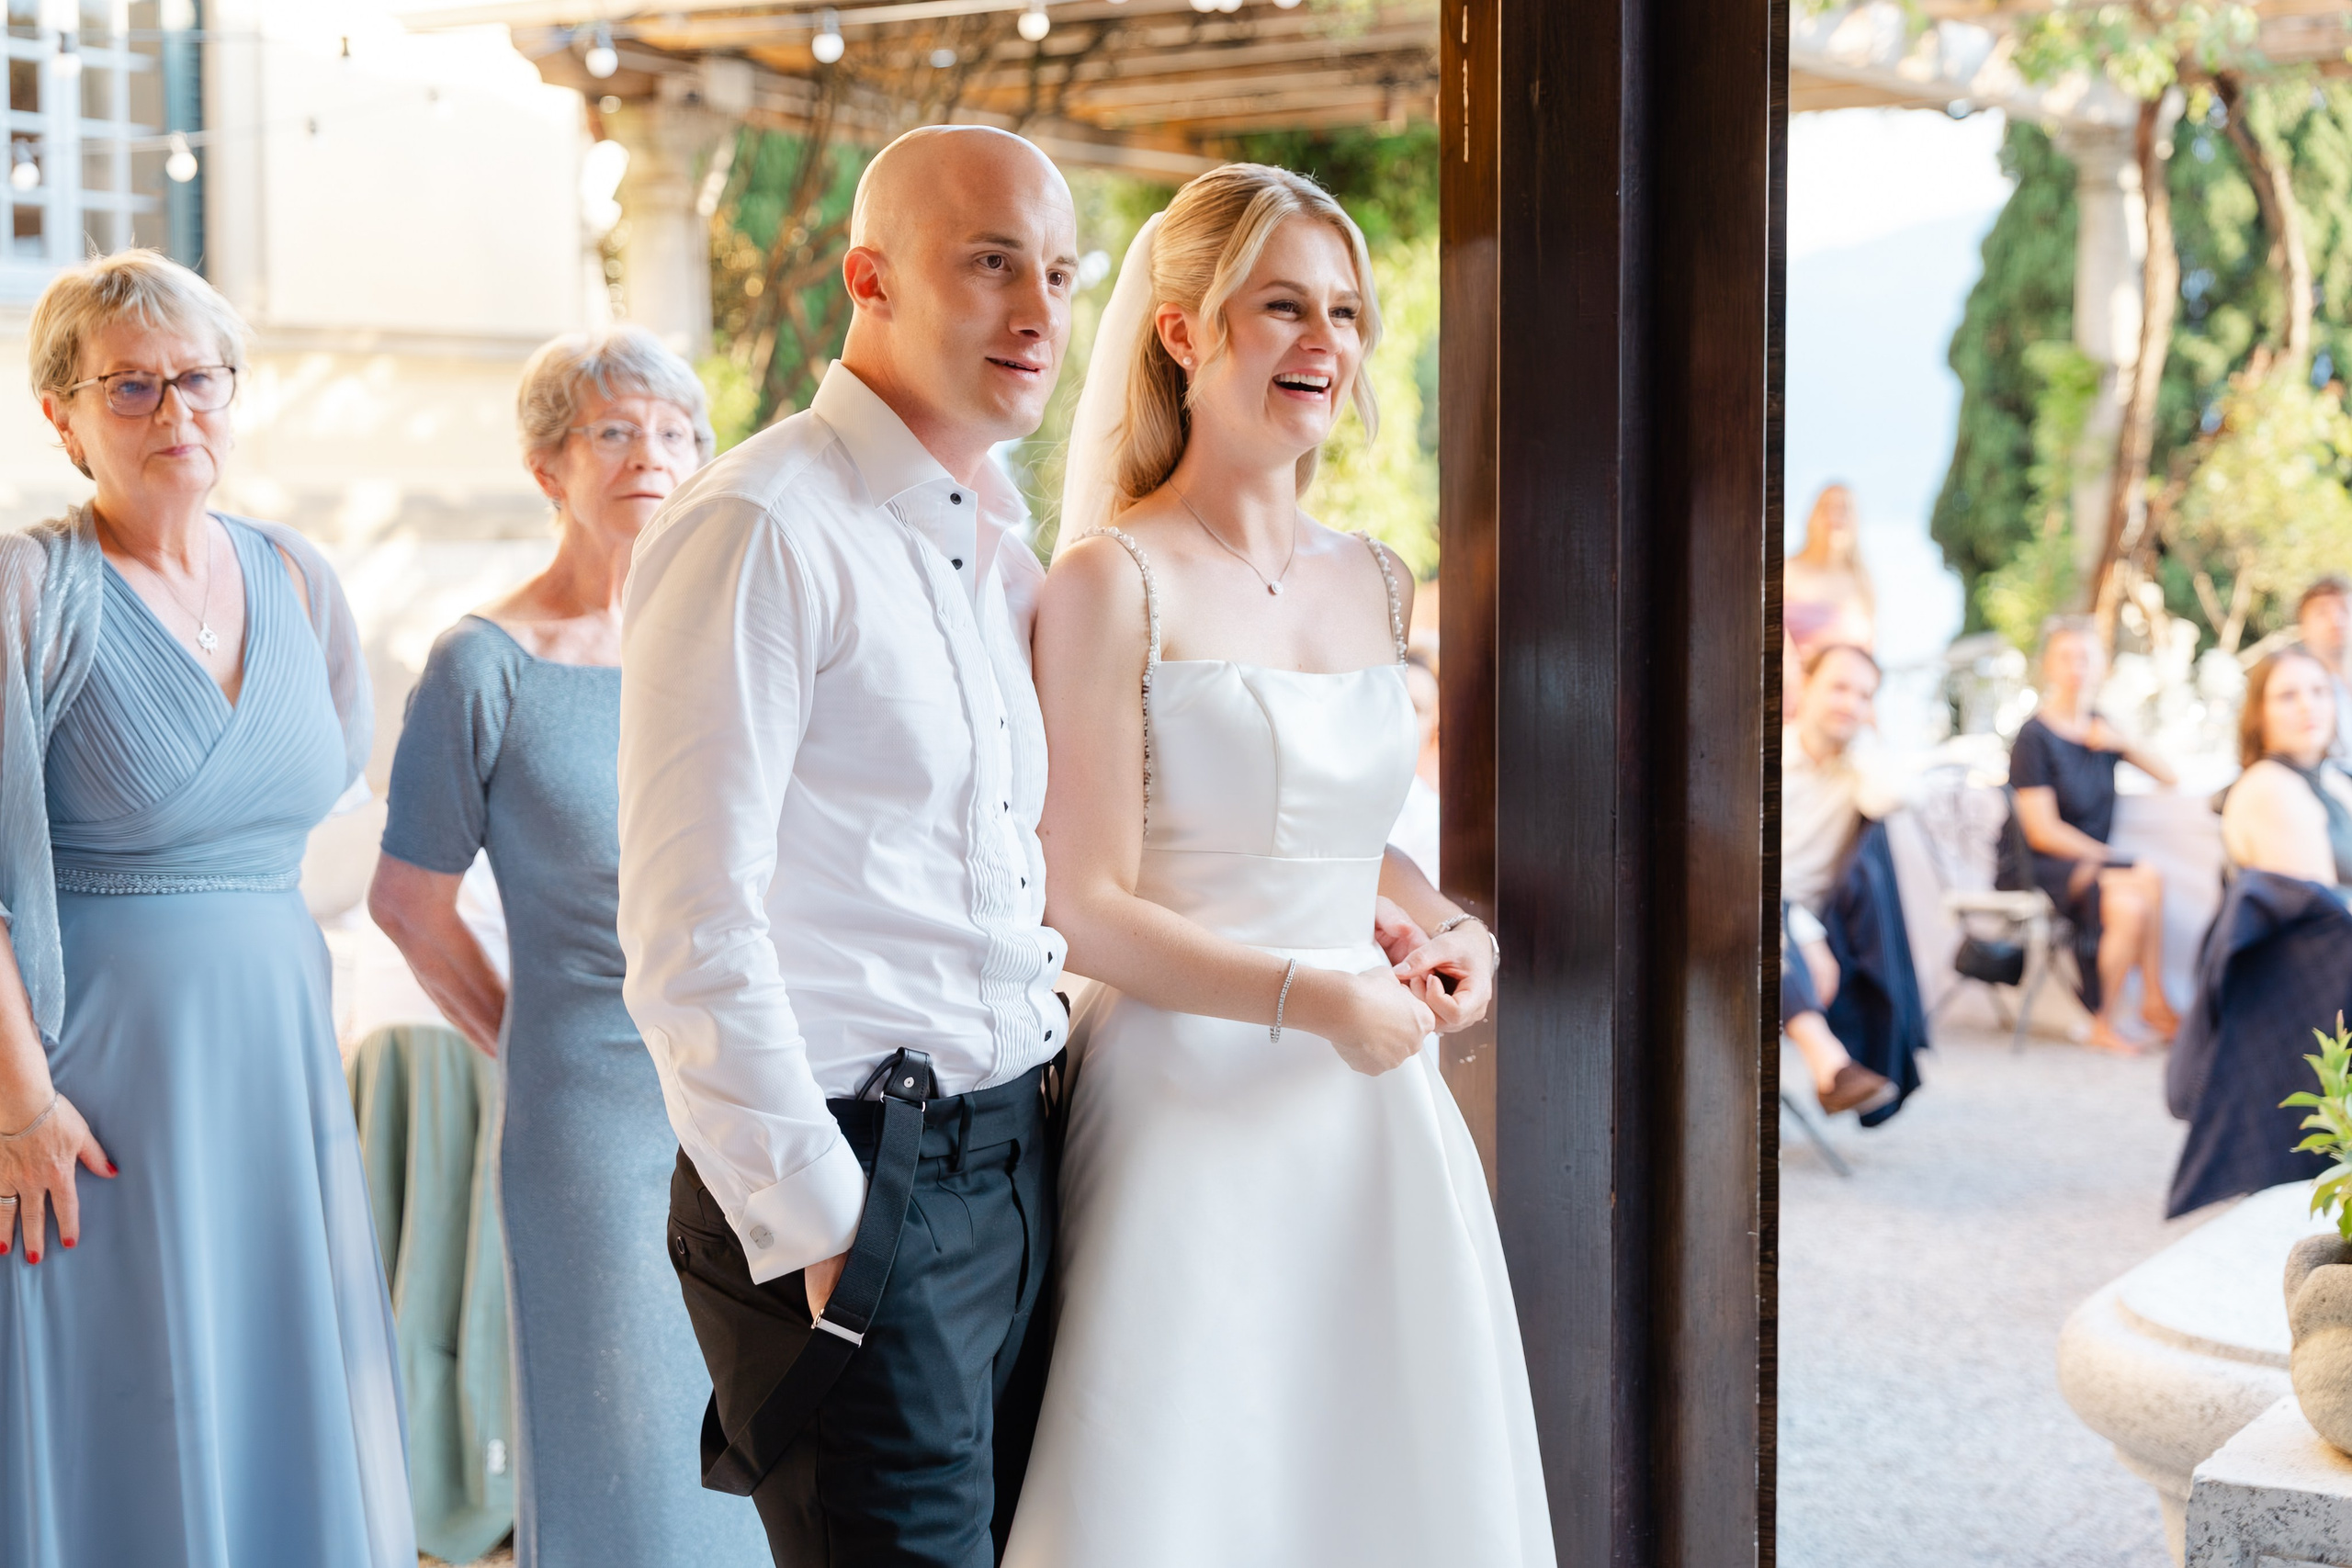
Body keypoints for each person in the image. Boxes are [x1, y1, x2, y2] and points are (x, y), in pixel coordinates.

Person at [1011, 164, 1551, 1566]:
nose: (1325, 344)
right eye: (1282, 308)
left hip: (1373, 1105)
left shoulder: (1375, 578)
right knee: (1198, 1485)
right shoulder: (1110, 581)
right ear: (1185, 333)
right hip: (1190, 1107)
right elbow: (1083, 903)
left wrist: (1449, 926)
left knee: (1379, 1480)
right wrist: (1317, 1000)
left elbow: (1337, 825)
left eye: (1346, 312)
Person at [616, 127, 1076, 1566]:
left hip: (1019, 1151)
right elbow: (690, 927)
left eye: (1060, 272)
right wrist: (829, 1229)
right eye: (992, 261)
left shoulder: (992, 538)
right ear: (866, 276)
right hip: (862, 1180)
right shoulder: (761, 522)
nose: (1040, 312)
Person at [0, 251, 408, 1565]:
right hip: (91, 1081)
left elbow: (322, 818)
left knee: (269, 1373)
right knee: (122, 1394)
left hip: (275, 1060)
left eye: (199, 379)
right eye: (131, 386)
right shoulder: (27, 588)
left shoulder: (299, 577)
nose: (175, 411)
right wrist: (18, 1104)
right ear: (62, 416)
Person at [369, 328, 767, 1567]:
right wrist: (526, 1032)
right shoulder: (482, 665)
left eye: (673, 432)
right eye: (612, 430)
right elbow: (407, 902)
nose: (648, 454)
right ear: (549, 465)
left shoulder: (733, 647)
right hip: (588, 1107)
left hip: (749, 1088)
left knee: (759, 1432)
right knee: (623, 1434)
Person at [2008, 615, 2179, 1055]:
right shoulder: (2034, 737)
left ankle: (2104, 1020)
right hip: (2042, 865)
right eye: (2066, 657)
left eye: (2085, 657)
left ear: (2101, 665)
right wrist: (2114, 858)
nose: (2076, 667)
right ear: (2049, 665)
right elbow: (2042, 832)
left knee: (2131, 905)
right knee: (2147, 876)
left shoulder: (2104, 728)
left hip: (2093, 868)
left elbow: (2170, 777)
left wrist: (2122, 744)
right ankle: (2155, 1002)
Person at [1781, 642, 1904, 1114]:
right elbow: (1735, 873)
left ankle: (1834, 1070)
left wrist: (1868, 740)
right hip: (1740, 911)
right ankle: (1831, 1066)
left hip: (1809, 921)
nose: (1850, 704)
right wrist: (1809, 939)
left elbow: (1892, 797)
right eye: (1839, 688)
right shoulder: (1760, 755)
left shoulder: (1856, 770)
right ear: (1805, 687)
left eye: (1864, 696)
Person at [2221, 647, 2352, 888]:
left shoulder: (2335, 776)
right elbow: (2326, 916)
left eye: (2320, 691)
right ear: (2259, 713)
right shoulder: (2270, 789)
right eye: (2288, 696)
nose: (2308, 706)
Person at [1785, 482, 1875, 662]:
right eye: (1827, 508)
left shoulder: (1863, 583)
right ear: (1811, 518)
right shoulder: (1787, 571)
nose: (1835, 516)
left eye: (1844, 509)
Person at [2294, 574, 2352, 765]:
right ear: (2302, 628)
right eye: (2322, 612)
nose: (2336, 620)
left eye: (2344, 609)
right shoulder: (2291, 695)